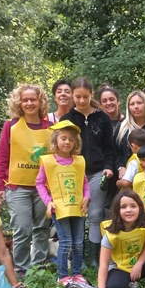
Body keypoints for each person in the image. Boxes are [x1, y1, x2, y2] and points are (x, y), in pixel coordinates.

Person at [0, 83, 52, 274]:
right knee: (22, 230)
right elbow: (2, 157)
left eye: (33, 99)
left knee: (42, 229)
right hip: (16, 187)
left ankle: (39, 268)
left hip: (43, 187)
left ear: (40, 101)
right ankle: (21, 270)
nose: (29, 103)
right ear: (19, 102)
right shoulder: (10, 126)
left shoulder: (51, 128)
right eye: (25, 100)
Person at [60, 78, 116, 266]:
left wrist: (109, 167)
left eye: (85, 97)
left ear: (92, 95)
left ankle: (94, 258)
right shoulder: (67, 119)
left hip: (98, 172)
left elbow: (110, 148)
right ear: (73, 96)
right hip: (73, 174)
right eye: (78, 97)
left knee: (95, 214)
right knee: (74, 214)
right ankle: (75, 256)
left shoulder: (102, 118)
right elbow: (60, 147)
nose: (82, 101)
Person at [36, 120, 90, 286]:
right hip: (59, 208)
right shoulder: (48, 161)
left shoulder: (79, 161)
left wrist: (87, 197)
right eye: (63, 138)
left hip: (78, 207)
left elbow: (85, 182)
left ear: (75, 143)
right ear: (56, 141)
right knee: (66, 242)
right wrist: (48, 202)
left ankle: (77, 273)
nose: (67, 142)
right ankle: (63, 275)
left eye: (71, 139)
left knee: (78, 242)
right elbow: (39, 183)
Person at [98, 190, 145, 288]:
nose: (129, 210)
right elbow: (104, 264)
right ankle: (130, 283)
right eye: (123, 207)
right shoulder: (111, 233)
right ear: (117, 210)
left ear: (140, 208)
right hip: (119, 267)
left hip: (139, 261)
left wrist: (139, 264)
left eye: (133, 206)